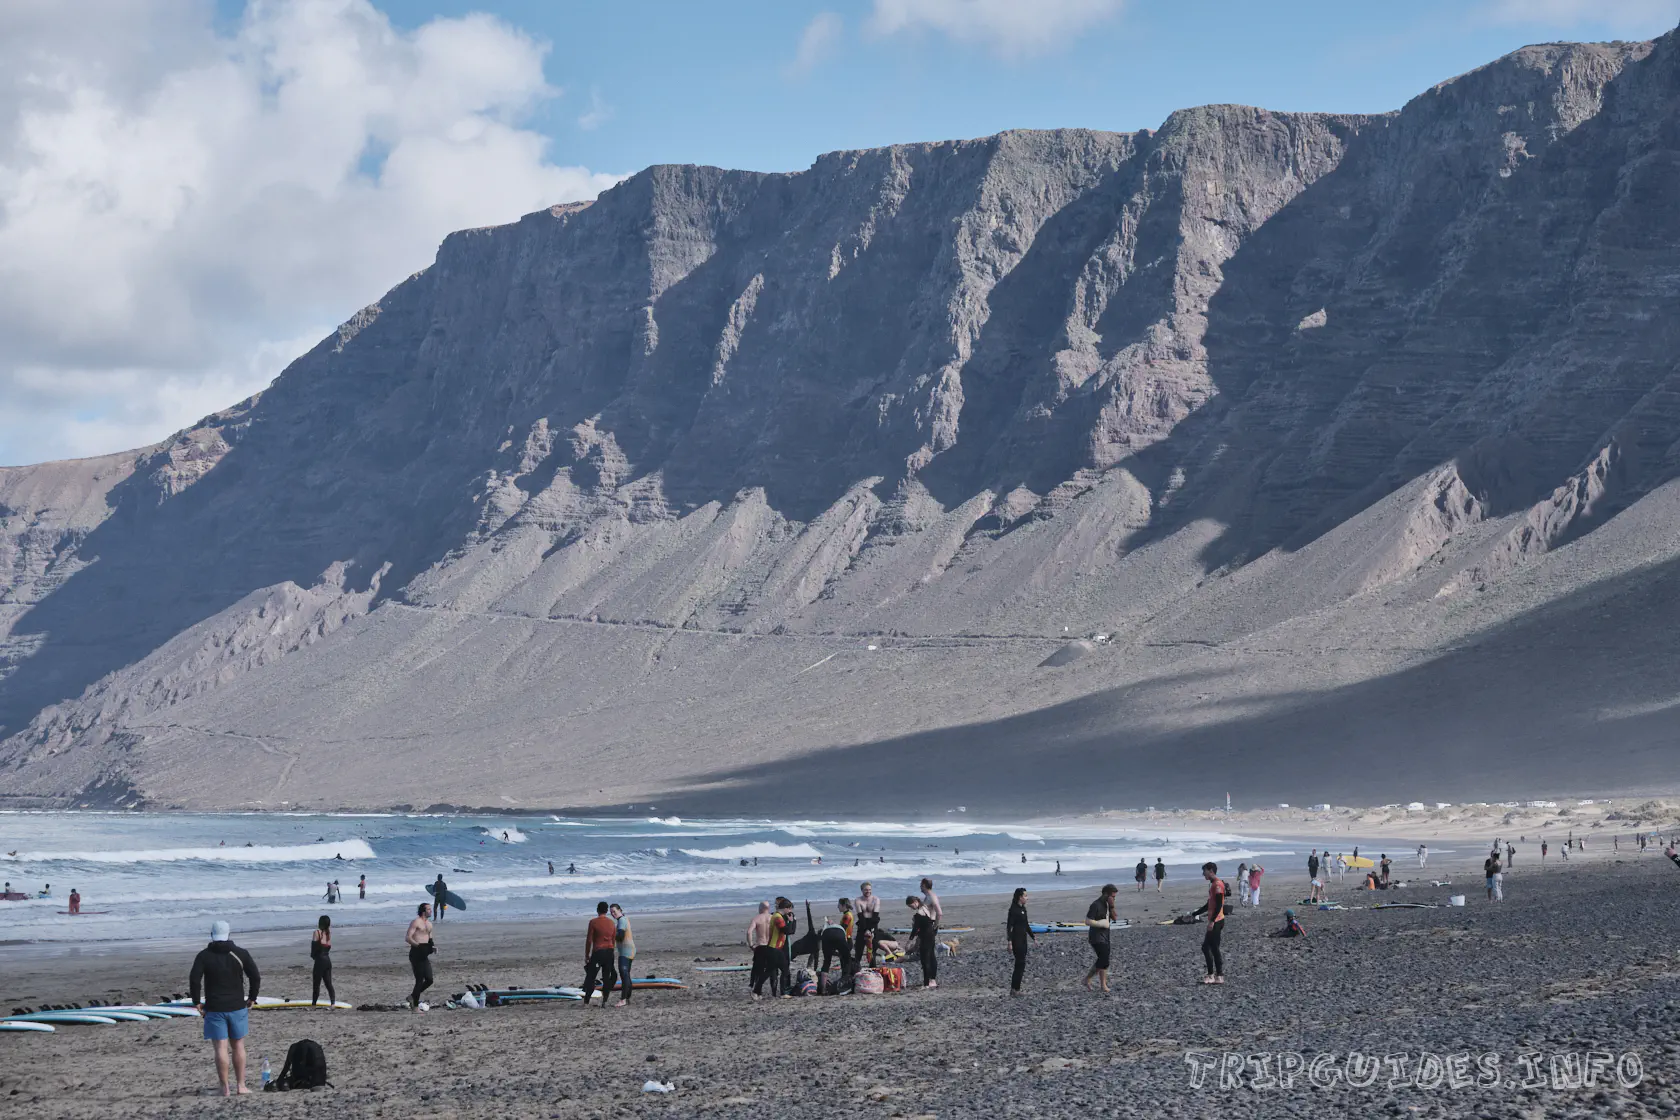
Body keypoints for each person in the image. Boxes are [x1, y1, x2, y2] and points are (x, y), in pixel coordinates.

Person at [190, 920, 260, 1096]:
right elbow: (255, 976)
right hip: (237, 1006)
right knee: (238, 1046)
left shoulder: (204, 956)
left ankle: (225, 1088)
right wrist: (252, 997)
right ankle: (241, 1085)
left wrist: (196, 1001)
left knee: (220, 1047)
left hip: (214, 1008)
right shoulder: (241, 953)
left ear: (212, 935)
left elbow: (194, 979)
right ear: (229, 934)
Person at [1189, 863, 1228, 985]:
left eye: (1204, 871)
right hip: (1216, 920)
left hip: (1217, 921)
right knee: (1212, 948)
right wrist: (1195, 913)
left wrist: (1211, 921)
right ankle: (1218, 975)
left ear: (1211, 871)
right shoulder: (1213, 885)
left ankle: (1213, 975)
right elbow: (1209, 904)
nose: (1203, 874)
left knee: (1208, 947)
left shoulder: (1217, 885)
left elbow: (1219, 905)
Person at [581, 901, 618, 1008]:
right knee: (606, 978)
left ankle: (586, 1001)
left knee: (591, 977)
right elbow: (613, 939)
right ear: (607, 911)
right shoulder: (611, 923)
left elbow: (589, 940)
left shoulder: (593, 922)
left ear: (597, 910)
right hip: (609, 952)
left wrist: (587, 955)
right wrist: (612, 952)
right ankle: (604, 1001)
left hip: (598, 952)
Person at [1083, 884, 1118, 992]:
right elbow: (1087, 921)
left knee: (1104, 961)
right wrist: (1101, 924)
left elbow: (1115, 918)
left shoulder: (1108, 905)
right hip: (1096, 937)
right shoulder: (1095, 905)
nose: (1114, 899)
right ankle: (1087, 979)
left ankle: (1102, 985)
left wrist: (1112, 906)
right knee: (1103, 959)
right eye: (1112, 896)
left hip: (1106, 936)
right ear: (1105, 894)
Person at [1005, 887, 1035, 996]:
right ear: (1020, 897)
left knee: (1021, 964)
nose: (1027, 898)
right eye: (1025, 896)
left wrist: (1033, 937)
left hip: (1023, 940)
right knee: (1019, 963)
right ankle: (1015, 989)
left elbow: (1026, 925)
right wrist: (1009, 942)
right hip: (1016, 940)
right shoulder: (1013, 910)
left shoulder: (1023, 909)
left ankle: (1016, 988)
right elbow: (1009, 927)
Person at [406, 903, 435, 1010]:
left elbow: (430, 938)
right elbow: (408, 938)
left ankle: (412, 996)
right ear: (423, 911)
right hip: (416, 952)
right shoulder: (416, 922)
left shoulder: (429, 924)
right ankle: (415, 1006)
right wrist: (417, 946)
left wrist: (433, 947)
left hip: (425, 954)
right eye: (429, 909)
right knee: (419, 980)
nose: (431, 911)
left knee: (429, 979)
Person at [904, 896, 937, 988]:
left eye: (911, 906)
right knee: (931, 957)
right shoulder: (926, 908)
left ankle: (926, 983)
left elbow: (915, 929)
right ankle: (932, 980)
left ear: (915, 902)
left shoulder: (919, 913)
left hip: (925, 937)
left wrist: (909, 941)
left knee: (925, 960)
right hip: (931, 935)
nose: (911, 908)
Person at [747, 901, 774, 1000]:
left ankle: (759, 992)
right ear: (768, 908)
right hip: (771, 946)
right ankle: (774, 991)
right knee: (771, 970)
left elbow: (749, 932)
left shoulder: (757, 918)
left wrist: (751, 944)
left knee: (758, 970)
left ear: (761, 908)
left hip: (760, 946)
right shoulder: (773, 919)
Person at [769, 897, 796, 996]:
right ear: (786, 908)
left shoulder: (778, 916)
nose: (790, 912)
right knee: (781, 970)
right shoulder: (777, 917)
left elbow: (790, 931)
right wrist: (791, 921)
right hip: (775, 947)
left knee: (780, 970)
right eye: (789, 909)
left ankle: (780, 992)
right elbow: (786, 930)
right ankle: (781, 992)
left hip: (777, 947)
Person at [610, 903, 635, 1007]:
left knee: (624, 976)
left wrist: (611, 934)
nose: (612, 914)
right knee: (627, 975)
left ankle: (623, 999)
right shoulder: (625, 919)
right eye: (611, 912)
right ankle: (627, 998)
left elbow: (620, 936)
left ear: (620, 910)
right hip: (630, 950)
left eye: (614, 911)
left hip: (626, 951)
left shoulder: (621, 920)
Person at [310, 915, 335, 1006]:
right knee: (329, 984)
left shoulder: (317, 932)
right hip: (328, 961)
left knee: (316, 984)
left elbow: (313, 949)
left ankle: (314, 1004)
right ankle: (333, 1003)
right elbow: (327, 947)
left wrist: (313, 957)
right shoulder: (328, 934)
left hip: (319, 961)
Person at [854, 882, 881, 964]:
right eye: (866, 890)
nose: (868, 891)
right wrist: (866, 930)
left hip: (873, 924)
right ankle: (856, 967)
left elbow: (875, 916)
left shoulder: (876, 899)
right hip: (862, 925)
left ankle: (873, 966)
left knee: (873, 947)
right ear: (862, 890)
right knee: (859, 948)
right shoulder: (858, 900)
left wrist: (870, 930)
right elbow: (860, 916)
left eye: (869, 889)